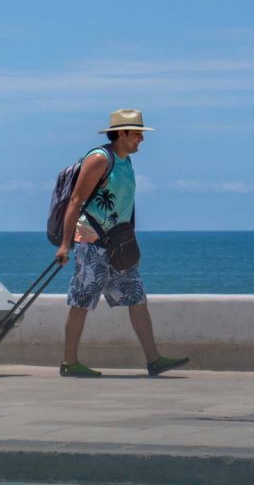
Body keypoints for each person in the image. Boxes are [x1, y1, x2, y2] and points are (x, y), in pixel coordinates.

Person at [54, 109, 189, 378]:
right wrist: (65, 245)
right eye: (137, 134)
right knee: (82, 300)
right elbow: (75, 201)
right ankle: (69, 362)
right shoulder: (100, 159)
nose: (141, 139)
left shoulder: (125, 161)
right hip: (93, 242)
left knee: (137, 298)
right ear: (122, 134)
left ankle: (154, 359)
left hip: (119, 245)